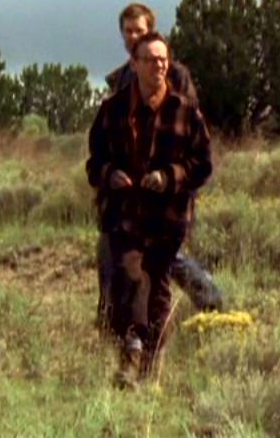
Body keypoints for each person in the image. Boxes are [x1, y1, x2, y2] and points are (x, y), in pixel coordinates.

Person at [87, 32, 213, 387]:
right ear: (135, 64)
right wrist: (109, 174)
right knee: (129, 278)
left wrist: (169, 176)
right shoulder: (112, 110)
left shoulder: (185, 111)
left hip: (167, 219)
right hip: (124, 215)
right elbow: (94, 163)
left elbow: (202, 165)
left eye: (163, 60)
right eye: (150, 59)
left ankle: (151, 366)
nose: (158, 65)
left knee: (157, 290)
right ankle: (131, 356)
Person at [95, 3, 223, 334]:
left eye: (139, 30)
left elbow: (188, 133)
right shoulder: (121, 79)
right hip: (127, 195)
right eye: (127, 31)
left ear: (150, 30)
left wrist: (171, 177)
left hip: (168, 193)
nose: (132, 36)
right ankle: (114, 323)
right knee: (114, 254)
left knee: (166, 260)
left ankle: (210, 303)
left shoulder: (175, 75)